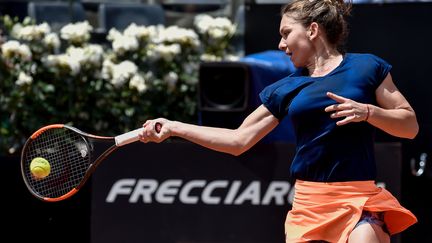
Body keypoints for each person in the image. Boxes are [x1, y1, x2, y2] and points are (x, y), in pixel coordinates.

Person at [138, 0, 419, 242]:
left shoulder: (368, 66)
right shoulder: (283, 89)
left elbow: (409, 125)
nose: (280, 44)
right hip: (310, 204)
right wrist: (174, 127)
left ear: (312, 30)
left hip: (359, 198)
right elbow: (238, 141)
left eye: (286, 33)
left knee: (365, 236)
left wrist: (369, 112)